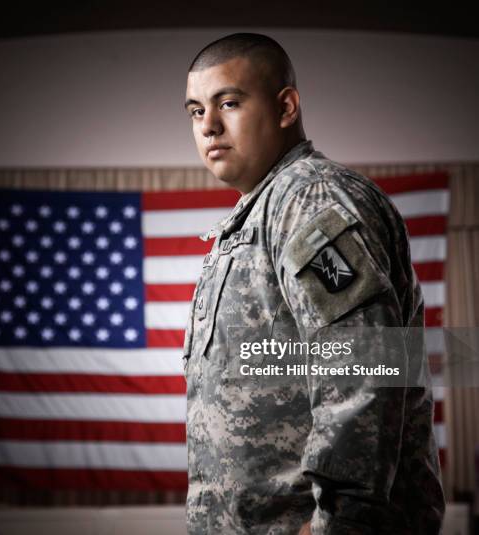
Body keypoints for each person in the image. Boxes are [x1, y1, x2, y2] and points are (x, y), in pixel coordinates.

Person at [181, 33, 445, 534]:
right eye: (195, 111)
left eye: (229, 103)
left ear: (286, 107)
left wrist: (339, 523)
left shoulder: (310, 199)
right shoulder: (257, 213)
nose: (208, 126)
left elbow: (364, 368)